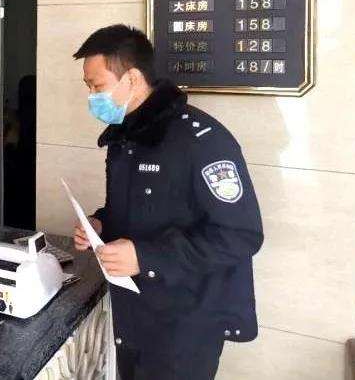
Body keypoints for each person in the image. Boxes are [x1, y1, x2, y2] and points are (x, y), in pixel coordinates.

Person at [72, 25, 263, 380]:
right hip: (133, 312)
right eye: (88, 87)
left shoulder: (201, 141)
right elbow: (135, 211)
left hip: (185, 326)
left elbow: (240, 235)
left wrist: (145, 257)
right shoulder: (126, 137)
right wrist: (99, 224)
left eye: (97, 86)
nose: (92, 97)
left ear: (131, 78)